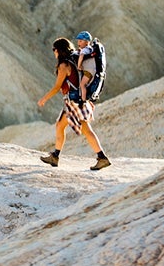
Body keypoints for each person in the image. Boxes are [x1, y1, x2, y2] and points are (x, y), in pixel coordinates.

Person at [37, 36, 111, 170]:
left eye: (54, 50)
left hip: (75, 103)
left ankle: (102, 158)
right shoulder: (73, 60)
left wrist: (44, 99)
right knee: (61, 126)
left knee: (85, 130)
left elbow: (57, 86)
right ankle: (55, 156)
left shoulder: (63, 65)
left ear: (59, 50)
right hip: (78, 101)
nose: (54, 52)